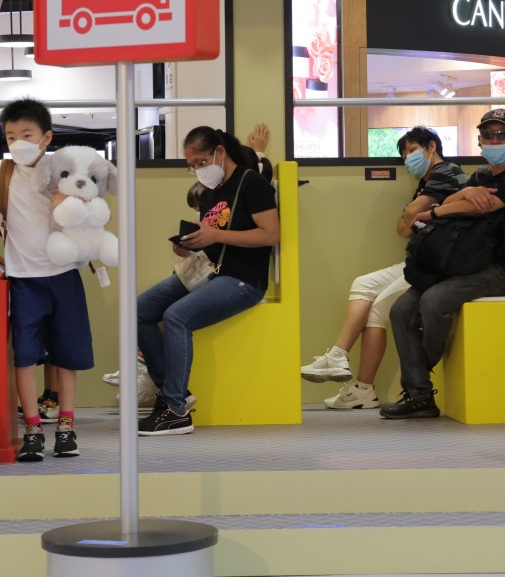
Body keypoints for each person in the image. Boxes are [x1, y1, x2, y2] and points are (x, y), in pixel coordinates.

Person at [0, 97, 92, 461]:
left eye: (27, 134)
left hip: (64, 275)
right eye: (11, 136)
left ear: (46, 137)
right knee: (24, 357)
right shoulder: (0, 172)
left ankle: (67, 427)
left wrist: (65, 203)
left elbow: (90, 215)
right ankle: (33, 429)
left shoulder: (67, 171)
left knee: (65, 356)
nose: (18, 142)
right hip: (24, 279)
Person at [381, 109, 505, 419]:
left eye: (502, 134)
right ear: (480, 140)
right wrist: (466, 194)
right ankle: (420, 399)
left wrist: (440, 211)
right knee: (400, 310)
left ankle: (423, 368)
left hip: (501, 271)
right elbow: (458, 202)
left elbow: (481, 205)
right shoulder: (481, 176)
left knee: (433, 301)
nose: (494, 140)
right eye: (488, 135)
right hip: (463, 263)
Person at [300, 127, 468, 409]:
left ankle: (363, 388)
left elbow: (411, 216)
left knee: (378, 308)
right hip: (419, 260)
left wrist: (415, 214)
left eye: (412, 150)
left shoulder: (447, 172)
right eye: (403, 153)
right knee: (363, 284)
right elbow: (402, 228)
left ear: (431, 147)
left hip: (440, 265)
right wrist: (414, 215)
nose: (407, 158)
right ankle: (339, 355)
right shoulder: (424, 184)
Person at [137, 126, 279, 435]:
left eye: (201, 162)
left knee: (176, 317)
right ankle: (173, 392)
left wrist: (215, 234)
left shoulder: (251, 183)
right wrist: (188, 245)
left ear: (220, 152)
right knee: (140, 310)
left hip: (243, 280)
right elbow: (211, 238)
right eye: (193, 166)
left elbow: (270, 234)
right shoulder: (211, 192)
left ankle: (175, 410)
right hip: (208, 271)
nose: (198, 170)